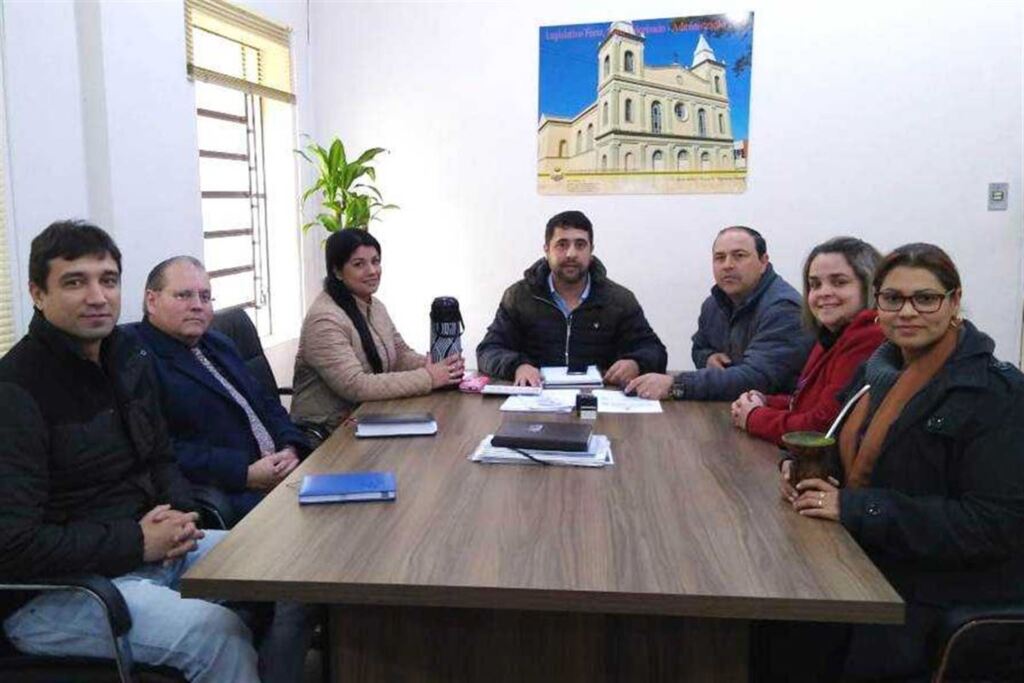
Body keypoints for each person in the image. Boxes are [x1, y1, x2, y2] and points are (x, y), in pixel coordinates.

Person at [0, 221, 257, 681]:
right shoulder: (16, 390)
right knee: (219, 634)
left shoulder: (126, 356)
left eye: (109, 280)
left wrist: (181, 517)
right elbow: (13, 545)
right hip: (63, 592)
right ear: (38, 293)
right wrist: (137, 540)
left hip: (149, 551)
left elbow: (159, 454)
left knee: (279, 569)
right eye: (75, 281)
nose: (98, 296)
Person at [771, 243, 1024, 681]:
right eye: (892, 298)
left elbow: (993, 524)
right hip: (866, 557)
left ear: (954, 302)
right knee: (768, 631)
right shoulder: (876, 371)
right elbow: (835, 439)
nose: (907, 311)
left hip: (936, 588)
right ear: (878, 304)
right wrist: (801, 466)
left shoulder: (994, 394)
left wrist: (854, 507)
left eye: (925, 298)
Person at [133, 256, 311, 526]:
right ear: (151, 300)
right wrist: (244, 472)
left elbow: (265, 401)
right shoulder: (138, 358)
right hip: (234, 493)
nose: (197, 305)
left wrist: (291, 447)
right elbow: (159, 448)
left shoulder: (218, 343)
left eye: (205, 297)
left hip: (286, 473)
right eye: (183, 295)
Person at [291, 228, 464, 432]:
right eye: (359, 264)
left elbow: (399, 354)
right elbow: (356, 385)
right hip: (327, 434)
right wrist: (429, 377)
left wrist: (436, 366)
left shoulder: (375, 305)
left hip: (368, 418)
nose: (372, 271)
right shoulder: (324, 320)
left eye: (375, 261)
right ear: (337, 271)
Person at [476, 210, 667, 387]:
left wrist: (636, 363)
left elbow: (655, 351)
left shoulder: (619, 300)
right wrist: (517, 366)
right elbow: (488, 351)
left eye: (580, 245)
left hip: (601, 403)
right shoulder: (520, 297)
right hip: (536, 400)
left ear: (591, 250)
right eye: (562, 244)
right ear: (546, 250)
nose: (571, 254)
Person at [626, 225, 812, 401]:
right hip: (731, 409)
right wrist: (707, 358)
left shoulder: (785, 309)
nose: (727, 265)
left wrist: (677, 385)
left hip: (775, 417)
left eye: (739, 256)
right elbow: (699, 347)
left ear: (763, 262)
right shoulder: (714, 303)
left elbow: (756, 378)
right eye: (720, 258)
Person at [730, 237, 885, 445]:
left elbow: (820, 429)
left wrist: (753, 417)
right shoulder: (832, 333)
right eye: (815, 285)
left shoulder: (869, 336)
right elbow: (805, 403)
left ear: (870, 286)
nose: (824, 293)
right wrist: (764, 400)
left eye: (839, 282)